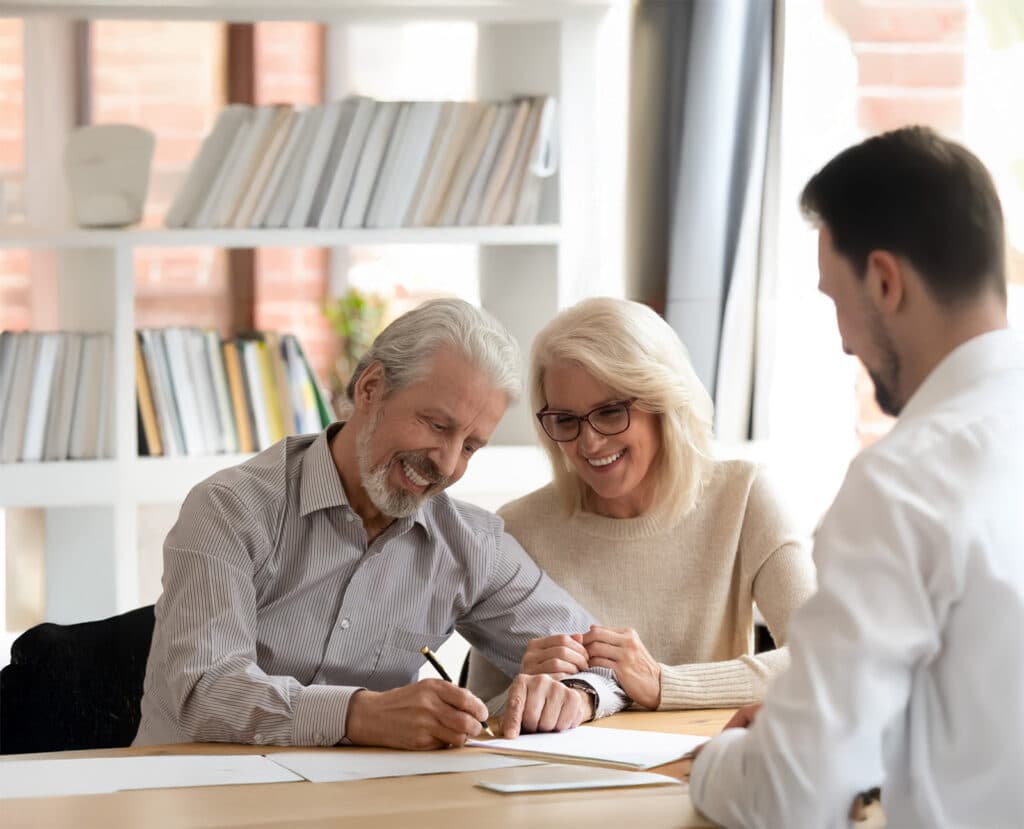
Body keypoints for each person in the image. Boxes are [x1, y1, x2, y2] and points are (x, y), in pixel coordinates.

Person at [690, 126, 1024, 827]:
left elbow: (789, 799)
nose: (844, 338)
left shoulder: (903, 484)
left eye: (834, 297)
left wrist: (720, 762)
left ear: (884, 280)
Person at [135, 298, 628, 750]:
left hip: (364, 803)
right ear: (371, 388)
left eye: (471, 445)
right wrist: (360, 715)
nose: (447, 462)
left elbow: (603, 657)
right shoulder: (229, 509)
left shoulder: (470, 545)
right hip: (196, 796)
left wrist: (577, 694)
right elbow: (203, 691)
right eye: (437, 425)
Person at [468, 297, 817, 711]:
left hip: (700, 767)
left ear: (662, 404)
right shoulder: (518, 528)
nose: (589, 442)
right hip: (565, 772)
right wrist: (523, 691)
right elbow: (479, 717)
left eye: (611, 412)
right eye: (566, 420)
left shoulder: (744, 497)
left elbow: (823, 658)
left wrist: (663, 684)